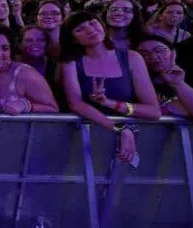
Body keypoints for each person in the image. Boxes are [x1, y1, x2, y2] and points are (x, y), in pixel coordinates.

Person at [60, 12, 160, 162]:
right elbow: (76, 104)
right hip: (85, 139)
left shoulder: (132, 58)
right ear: (74, 39)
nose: (90, 30)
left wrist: (110, 103)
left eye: (93, 23)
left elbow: (153, 111)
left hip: (132, 140)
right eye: (80, 29)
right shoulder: (70, 63)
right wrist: (120, 129)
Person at [137, 35, 193, 123]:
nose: (153, 57)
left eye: (159, 51)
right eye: (144, 54)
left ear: (173, 53)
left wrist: (178, 84)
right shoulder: (135, 81)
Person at [0, 26, 59, 114]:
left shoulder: (25, 73)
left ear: (11, 52)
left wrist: (26, 105)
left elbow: (53, 108)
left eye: (5, 48)